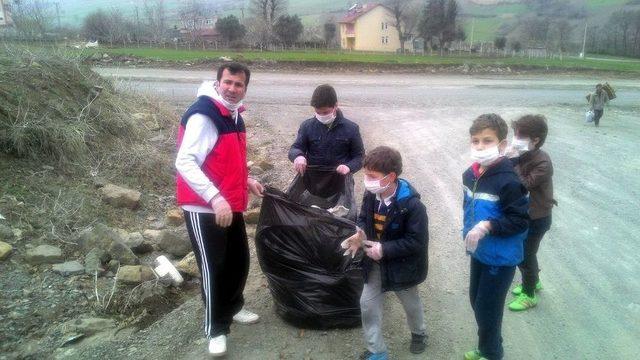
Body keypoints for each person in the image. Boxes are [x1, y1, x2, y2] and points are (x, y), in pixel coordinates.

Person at [175, 62, 264, 357]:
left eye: (238, 85)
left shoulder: (234, 114)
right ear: (217, 82)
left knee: (238, 260)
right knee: (213, 268)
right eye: (228, 82)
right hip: (204, 206)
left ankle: (234, 306)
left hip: (228, 202)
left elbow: (224, 159)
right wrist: (214, 197)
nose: (232, 88)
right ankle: (216, 328)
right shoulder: (205, 114)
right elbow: (185, 162)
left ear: (245, 88)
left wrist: (246, 179)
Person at [341, 146, 428, 360]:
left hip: (402, 265)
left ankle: (419, 333)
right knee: (367, 305)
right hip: (375, 263)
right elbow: (362, 217)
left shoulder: (412, 206)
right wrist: (360, 234)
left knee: (411, 303)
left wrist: (385, 249)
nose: (366, 181)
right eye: (366, 175)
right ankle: (377, 351)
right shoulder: (372, 194)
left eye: (372, 176)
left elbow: (416, 242)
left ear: (391, 177)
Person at [462, 114, 529, 360]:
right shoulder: (470, 174)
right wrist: (470, 230)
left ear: (502, 145)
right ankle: (487, 347)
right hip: (479, 251)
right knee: (476, 303)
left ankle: (492, 354)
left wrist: (487, 226)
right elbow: (468, 206)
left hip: (500, 258)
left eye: (487, 141)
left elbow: (521, 220)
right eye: (475, 140)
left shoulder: (508, 180)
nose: (480, 146)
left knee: (487, 310)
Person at [506, 115, 556, 311]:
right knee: (528, 253)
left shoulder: (543, 162)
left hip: (538, 217)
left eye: (521, 135)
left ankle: (529, 295)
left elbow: (525, 184)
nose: (516, 139)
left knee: (525, 255)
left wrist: (514, 161)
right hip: (527, 213)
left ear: (535, 140)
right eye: (515, 134)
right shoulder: (525, 154)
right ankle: (533, 281)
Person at [288, 84, 364, 177]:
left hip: (340, 178)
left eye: (325, 112)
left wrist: (349, 167)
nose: (321, 116)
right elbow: (295, 148)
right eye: (318, 112)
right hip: (313, 178)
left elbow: (359, 157)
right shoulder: (306, 126)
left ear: (335, 105)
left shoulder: (351, 128)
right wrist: (298, 156)